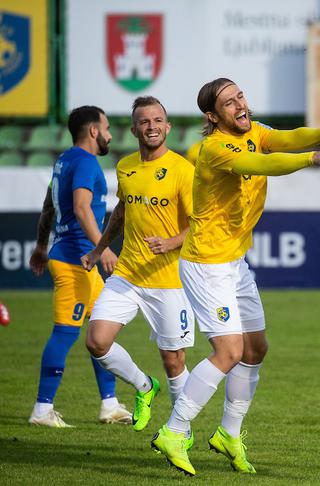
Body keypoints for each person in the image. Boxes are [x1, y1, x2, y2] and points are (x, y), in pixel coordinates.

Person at [150, 77, 320, 477]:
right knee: (228, 352)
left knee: (256, 349)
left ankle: (228, 434)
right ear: (213, 116)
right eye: (229, 103)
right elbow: (260, 164)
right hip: (206, 263)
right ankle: (173, 432)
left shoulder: (254, 131)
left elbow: (283, 139)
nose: (240, 105)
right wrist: (312, 158)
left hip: (234, 262)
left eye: (240, 96)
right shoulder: (214, 149)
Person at [81, 96, 195, 435]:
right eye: (144, 121)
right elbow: (122, 211)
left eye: (158, 120)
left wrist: (170, 243)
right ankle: (144, 386)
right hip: (128, 274)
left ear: (168, 126)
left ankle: (181, 433)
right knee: (96, 341)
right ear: (133, 129)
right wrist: (99, 248)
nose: (152, 126)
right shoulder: (126, 166)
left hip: (169, 279)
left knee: (173, 361)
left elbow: (198, 223)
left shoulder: (183, 170)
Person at [28, 105, 131, 428]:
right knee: (65, 332)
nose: (111, 135)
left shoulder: (64, 161)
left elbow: (48, 208)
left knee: (101, 333)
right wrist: (103, 249)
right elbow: (82, 208)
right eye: (107, 127)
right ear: (93, 131)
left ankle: (110, 405)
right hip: (76, 261)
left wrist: (42, 245)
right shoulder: (86, 162)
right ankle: (42, 410)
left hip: (77, 262)